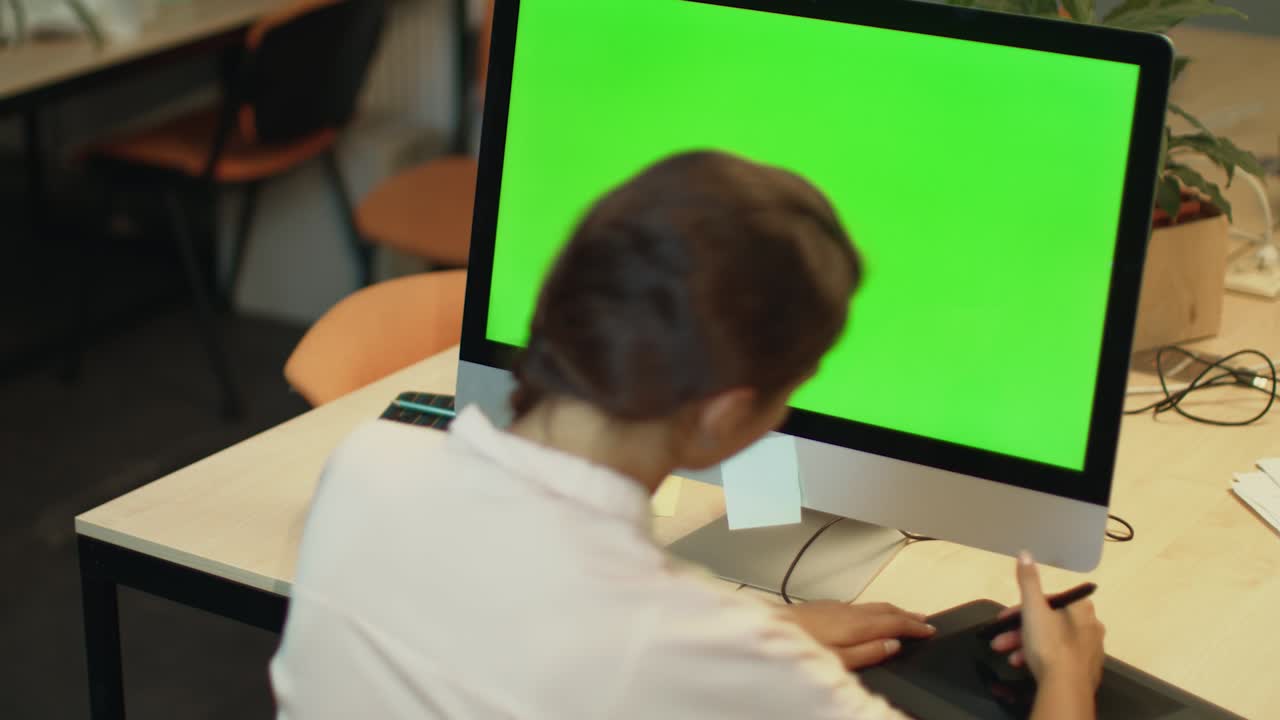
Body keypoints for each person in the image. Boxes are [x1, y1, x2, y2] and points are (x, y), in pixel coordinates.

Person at [270, 150, 1105, 719]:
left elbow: (523, 633)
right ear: (722, 414)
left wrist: (758, 641)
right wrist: (1067, 681)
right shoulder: (685, 643)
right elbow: (623, 643)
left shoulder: (368, 464)